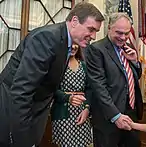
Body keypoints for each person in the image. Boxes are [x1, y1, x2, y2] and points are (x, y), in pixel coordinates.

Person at [0, 2, 104, 147]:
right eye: (91, 29)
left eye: (96, 31)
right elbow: (21, 92)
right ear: (74, 21)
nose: (93, 36)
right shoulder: (46, 38)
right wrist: (23, 140)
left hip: (35, 112)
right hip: (14, 115)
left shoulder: (68, 43)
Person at [85, 13, 143, 147]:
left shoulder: (128, 47)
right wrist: (115, 115)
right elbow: (98, 86)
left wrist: (134, 62)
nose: (123, 37)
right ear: (109, 27)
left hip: (131, 114)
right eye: (119, 33)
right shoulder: (96, 49)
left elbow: (134, 78)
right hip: (108, 117)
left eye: (127, 33)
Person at [51, 45, 92, 147]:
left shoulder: (83, 65)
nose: (74, 47)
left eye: (76, 44)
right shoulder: (57, 65)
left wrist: (87, 108)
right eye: (71, 44)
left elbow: (89, 89)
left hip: (82, 113)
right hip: (62, 114)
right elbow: (51, 89)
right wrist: (68, 98)